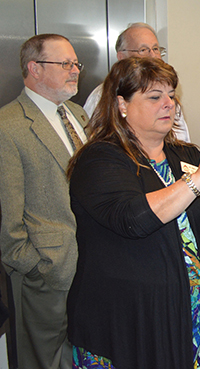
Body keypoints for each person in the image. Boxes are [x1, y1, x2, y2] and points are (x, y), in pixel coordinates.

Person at [66, 57, 200, 368]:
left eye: (171, 95)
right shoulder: (99, 160)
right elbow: (134, 219)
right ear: (122, 104)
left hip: (189, 307)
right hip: (126, 315)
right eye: (155, 97)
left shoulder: (186, 154)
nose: (169, 104)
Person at [0, 33, 86, 369]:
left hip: (89, 264)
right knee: (43, 360)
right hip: (45, 272)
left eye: (76, 63)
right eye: (65, 64)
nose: (75, 70)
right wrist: (35, 266)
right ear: (34, 69)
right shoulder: (8, 127)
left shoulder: (78, 116)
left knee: (79, 354)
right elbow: (7, 217)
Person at [83, 22, 191, 142]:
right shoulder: (101, 97)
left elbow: (182, 142)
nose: (153, 56)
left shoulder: (168, 98)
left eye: (155, 49)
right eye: (143, 50)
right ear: (121, 57)